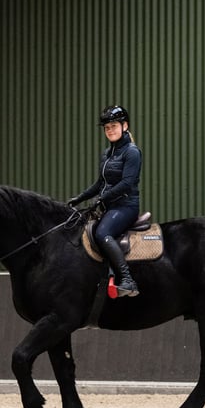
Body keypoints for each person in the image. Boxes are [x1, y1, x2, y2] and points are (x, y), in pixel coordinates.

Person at [68, 105, 142, 297]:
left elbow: (127, 183)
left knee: (102, 233)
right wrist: (79, 198)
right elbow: (100, 183)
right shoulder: (106, 154)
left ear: (125, 126)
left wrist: (102, 198)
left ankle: (127, 280)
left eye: (113, 126)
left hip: (126, 206)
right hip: (109, 206)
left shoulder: (132, 152)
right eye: (106, 127)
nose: (109, 130)